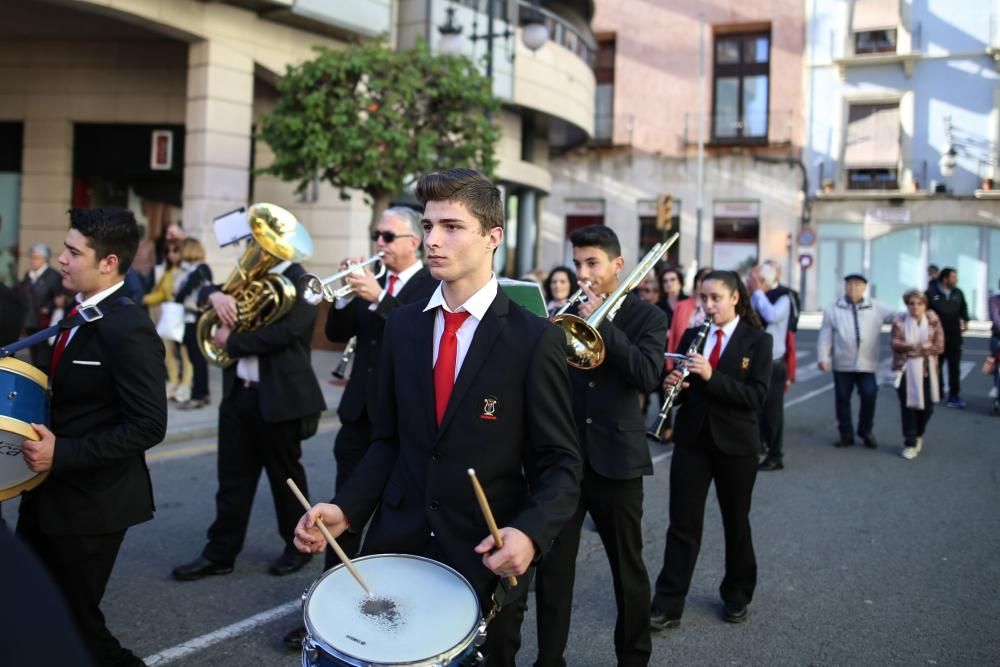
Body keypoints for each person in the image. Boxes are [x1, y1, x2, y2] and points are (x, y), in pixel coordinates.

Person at [293, 168, 582, 666]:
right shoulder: (403, 325)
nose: (433, 240)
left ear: (493, 237)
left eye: (451, 226)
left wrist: (528, 533)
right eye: (428, 227)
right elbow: (388, 441)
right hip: (396, 544)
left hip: (482, 555)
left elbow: (561, 464)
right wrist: (347, 509)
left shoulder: (535, 339)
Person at [281, 206, 438, 650]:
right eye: (377, 235)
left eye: (390, 236)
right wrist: (347, 296)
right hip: (359, 416)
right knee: (341, 519)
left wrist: (378, 299)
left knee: (396, 523)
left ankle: (391, 615)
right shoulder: (377, 281)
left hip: (403, 422)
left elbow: (416, 336)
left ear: (413, 242)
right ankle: (329, 610)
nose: (380, 244)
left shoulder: (429, 284)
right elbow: (335, 330)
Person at [17, 207, 167, 667]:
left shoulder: (129, 327)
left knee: (76, 624)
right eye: (64, 247)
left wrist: (62, 452)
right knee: (31, 611)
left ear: (109, 263)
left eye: (72, 251)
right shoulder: (83, 311)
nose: (62, 258)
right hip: (49, 495)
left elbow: (148, 425)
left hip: (92, 507)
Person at [534, 225, 667, 667]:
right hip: (567, 461)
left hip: (619, 462)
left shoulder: (649, 318)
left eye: (592, 264)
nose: (583, 273)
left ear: (617, 266)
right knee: (554, 571)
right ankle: (549, 660)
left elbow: (647, 376)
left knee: (627, 569)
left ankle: (633, 659)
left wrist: (604, 325)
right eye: (577, 264)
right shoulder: (564, 313)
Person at [172, 228, 326, 582]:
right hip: (239, 394)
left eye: (262, 241)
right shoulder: (254, 277)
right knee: (232, 480)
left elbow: (287, 334)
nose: (255, 247)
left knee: (285, 480)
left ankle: (297, 546)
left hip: (280, 398)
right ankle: (220, 553)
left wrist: (234, 340)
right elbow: (205, 291)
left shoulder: (304, 282)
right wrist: (215, 296)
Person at [650, 270, 771, 630]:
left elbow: (755, 397)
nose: (708, 305)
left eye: (716, 298)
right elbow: (687, 390)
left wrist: (709, 375)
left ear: (735, 297)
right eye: (703, 298)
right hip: (693, 440)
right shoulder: (692, 334)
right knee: (682, 524)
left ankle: (737, 593)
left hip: (737, 444)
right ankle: (668, 603)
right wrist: (673, 383)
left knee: (736, 521)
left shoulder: (757, 341)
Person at [817, 273, 895, 448]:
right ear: (845, 287)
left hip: (866, 363)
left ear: (864, 288)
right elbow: (825, 335)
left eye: (857, 285)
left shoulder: (875, 307)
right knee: (842, 399)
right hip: (843, 363)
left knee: (869, 394)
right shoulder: (834, 308)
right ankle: (846, 434)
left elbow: (897, 316)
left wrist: (918, 311)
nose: (853, 288)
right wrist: (823, 357)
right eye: (850, 284)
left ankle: (865, 430)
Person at [890, 290, 944, 460]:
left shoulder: (933, 321)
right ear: (907, 305)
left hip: (928, 371)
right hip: (905, 370)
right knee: (908, 407)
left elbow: (939, 347)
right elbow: (896, 344)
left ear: (925, 305)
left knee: (927, 408)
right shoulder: (899, 322)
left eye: (919, 303)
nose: (915, 307)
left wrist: (912, 347)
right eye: (911, 303)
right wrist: (923, 347)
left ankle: (919, 434)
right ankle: (910, 442)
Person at [749, 262, 791, 471]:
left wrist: (757, 292)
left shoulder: (783, 297)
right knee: (754, 409)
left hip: (774, 363)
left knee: (772, 413)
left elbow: (771, 316)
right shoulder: (755, 296)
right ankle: (759, 447)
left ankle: (776, 455)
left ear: (763, 281)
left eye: (753, 280)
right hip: (755, 361)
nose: (749, 284)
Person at [143, 240, 190, 402]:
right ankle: (174, 381)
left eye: (175, 250)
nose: (171, 254)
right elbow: (162, 294)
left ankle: (185, 385)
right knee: (167, 351)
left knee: (185, 353)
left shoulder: (187, 271)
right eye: (168, 251)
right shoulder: (168, 272)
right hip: (170, 315)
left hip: (184, 316)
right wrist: (145, 299)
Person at [174, 238, 212, 410]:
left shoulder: (200, 270)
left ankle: (198, 396)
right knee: (195, 358)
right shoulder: (193, 270)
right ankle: (202, 394)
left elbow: (182, 294)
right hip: (191, 318)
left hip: (196, 319)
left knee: (197, 359)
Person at [926, 267, 969, 408]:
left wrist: (965, 321)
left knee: (954, 367)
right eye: (953, 277)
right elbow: (924, 311)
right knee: (936, 366)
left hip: (954, 336)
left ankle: (954, 396)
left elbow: (964, 309)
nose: (956, 280)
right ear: (945, 279)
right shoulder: (931, 292)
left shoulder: (958, 293)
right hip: (937, 337)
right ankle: (938, 393)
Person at [19, 243, 63, 374]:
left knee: (43, 357)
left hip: (45, 323)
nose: (32, 261)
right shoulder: (29, 275)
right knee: (33, 353)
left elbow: (59, 298)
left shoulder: (53, 276)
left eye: (36, 258)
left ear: (45, 259)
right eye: (31, 257)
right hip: (30, 321)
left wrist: (49, 307)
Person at [989, 280, 1000, 411]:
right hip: (998, 338)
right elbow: (996, 319)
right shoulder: (994, 300)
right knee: (998, 369)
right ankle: (998, 399)